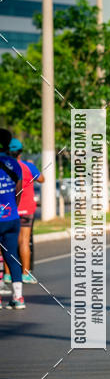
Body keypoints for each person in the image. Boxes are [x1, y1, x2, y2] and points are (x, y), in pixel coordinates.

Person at [8, 139, 44, 282]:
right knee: (24, 241)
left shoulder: (4, 167)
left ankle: (7, 274)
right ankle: (25, 274)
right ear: (20, 152)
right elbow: (42, 179)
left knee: (8, 242)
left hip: (9, 209)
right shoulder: (28, 166)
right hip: (26, 209)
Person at [0, 129, 25, 309]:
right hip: (12, 217)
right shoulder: (14, 164)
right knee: (12, 256)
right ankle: (18, 298)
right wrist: (13, 208)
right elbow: (19, 190)